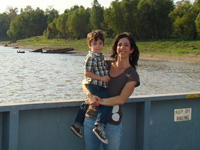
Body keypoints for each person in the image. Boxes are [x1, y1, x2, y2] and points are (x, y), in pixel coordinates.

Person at [82, 32, 140, 150]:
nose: (122, 48)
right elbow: (84, 82)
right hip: (91, 118)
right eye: (119, 45)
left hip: (112, 123)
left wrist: (99, 101)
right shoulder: (105, 64)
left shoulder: (132, 75)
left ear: (131, 50)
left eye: (126, 45)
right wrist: (90, 95)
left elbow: (121, 99)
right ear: (116, 48)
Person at [70, 30, 112, 144]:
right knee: (107, 102)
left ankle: (77, 124)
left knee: (88, 102)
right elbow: (87, 73)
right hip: (95, 85)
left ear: (103, 44)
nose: (98, 46)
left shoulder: (100, 57)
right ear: (90, 45)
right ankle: (100, 127)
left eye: (100, 43)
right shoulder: (91, 57)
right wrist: (102, 78)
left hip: (97, 85)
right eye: (95, 43)